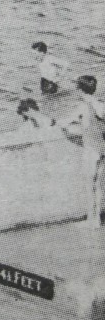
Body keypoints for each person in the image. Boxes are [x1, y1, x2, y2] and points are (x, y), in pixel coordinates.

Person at [63, 75, 105, 225]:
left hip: (91, 148)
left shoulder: (82, 106)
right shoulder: (100, 104)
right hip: (102, 148)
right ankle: (98, 219)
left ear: (80, 90)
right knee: (99, 185)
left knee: (89, 185)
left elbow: (65, 122)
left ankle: (90, 220)